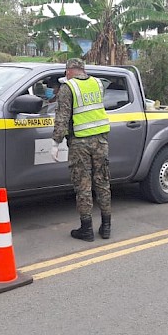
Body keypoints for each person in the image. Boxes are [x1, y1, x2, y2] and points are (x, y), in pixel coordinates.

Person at [51, 58, 111, 241]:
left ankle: (86, 229)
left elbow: (62, 116)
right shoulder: (97, 83)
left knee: (83, 184)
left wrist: (56, 142)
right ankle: (106, 227)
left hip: (80, 143)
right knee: (102, 181)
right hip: (101, 140)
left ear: (70, 71)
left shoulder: (68, 88)